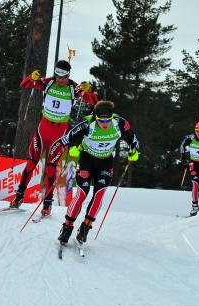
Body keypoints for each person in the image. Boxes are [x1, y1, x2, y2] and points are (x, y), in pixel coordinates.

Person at [10, 60, 98, 216]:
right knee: (31, 163)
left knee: (51, 168)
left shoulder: (73, 87)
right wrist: (32, 76)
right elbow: (25, 84)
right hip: (43, 130)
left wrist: (89, 89)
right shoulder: (48, 82)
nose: (59, 79)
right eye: (57, 75)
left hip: (59, 133)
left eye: (63, 77)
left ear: (68, 75)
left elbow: (94, 101)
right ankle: (19, 196)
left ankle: (48, 202)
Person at [47, 100, 139, 245]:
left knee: (98, 195)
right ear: (95, 117)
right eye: (101, 121)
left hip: (105, 162)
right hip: (86, 160)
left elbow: (132, 138)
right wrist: (72, 147)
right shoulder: (87, 123)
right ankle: (67, 228)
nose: (104, 124)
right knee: (82, 193)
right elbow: (68, 138)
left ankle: (85, 228)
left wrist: (134, 151)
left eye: (107, 120)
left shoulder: (119, 123)